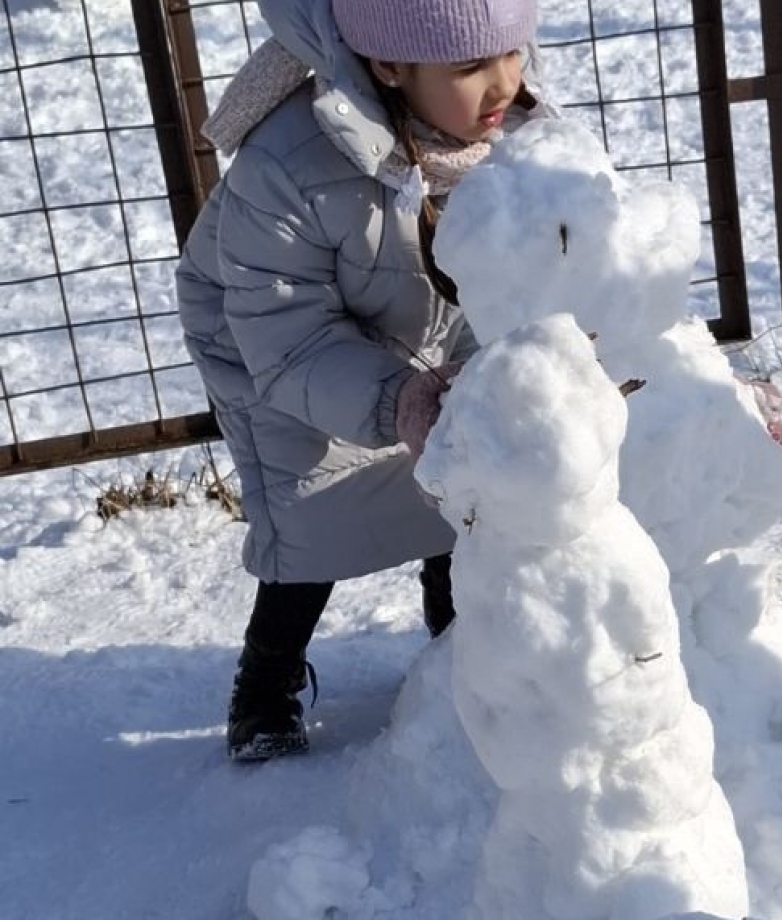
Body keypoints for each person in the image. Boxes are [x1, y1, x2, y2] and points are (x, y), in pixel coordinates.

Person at [175, 0, 546, 760]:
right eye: (471, 66)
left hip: (425, 316)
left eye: (514, 52)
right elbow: (288, 334)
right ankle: (266, 681)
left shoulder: (507, 127)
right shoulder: (289, 166)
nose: (505, 81)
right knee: (312, 513)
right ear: (389, 67)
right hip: (272, 346)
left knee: (469, 472)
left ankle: (460, 636)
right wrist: (398, 399)